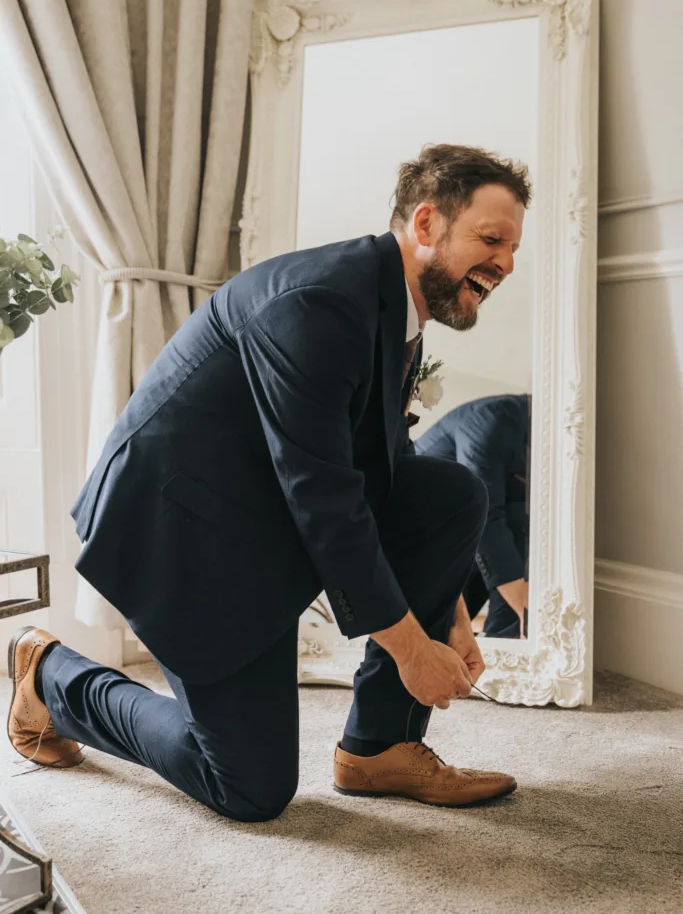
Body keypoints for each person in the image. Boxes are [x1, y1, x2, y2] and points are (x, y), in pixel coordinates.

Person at [8, 144, 530, 822]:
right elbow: (326, 498)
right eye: (491, 239)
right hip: (183, 534)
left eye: (512, 247)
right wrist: (409, 652)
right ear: (426, 225)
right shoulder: (320, 301)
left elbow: (384, 474)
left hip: (263, 517)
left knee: (448, 491)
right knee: (249, 787)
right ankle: (52, 678)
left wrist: (450, 616)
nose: (506, 263)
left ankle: (380, 750)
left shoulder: (391, 314)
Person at [415, 394, 531, 639]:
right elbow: (486, 514)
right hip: (424, 528)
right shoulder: (496, 418)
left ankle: (505, 645)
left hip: (464, 534)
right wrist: (524, 606)